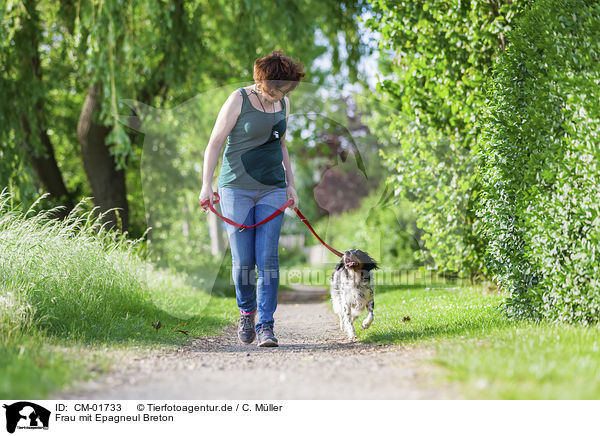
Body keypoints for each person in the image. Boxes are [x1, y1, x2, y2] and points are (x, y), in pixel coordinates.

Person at [199, 50, 305, 347]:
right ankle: (247, 311)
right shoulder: (238, 99)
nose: (281, 93)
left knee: (267, 258)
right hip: (236, 187)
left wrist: (291, 185)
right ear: (262, 80)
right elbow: (215, 143)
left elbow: (282, 145)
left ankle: (266, 325)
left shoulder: (283, 102)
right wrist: (207, 185)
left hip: (272, 188)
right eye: (277, 87)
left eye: (286, 89)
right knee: (243, 260)